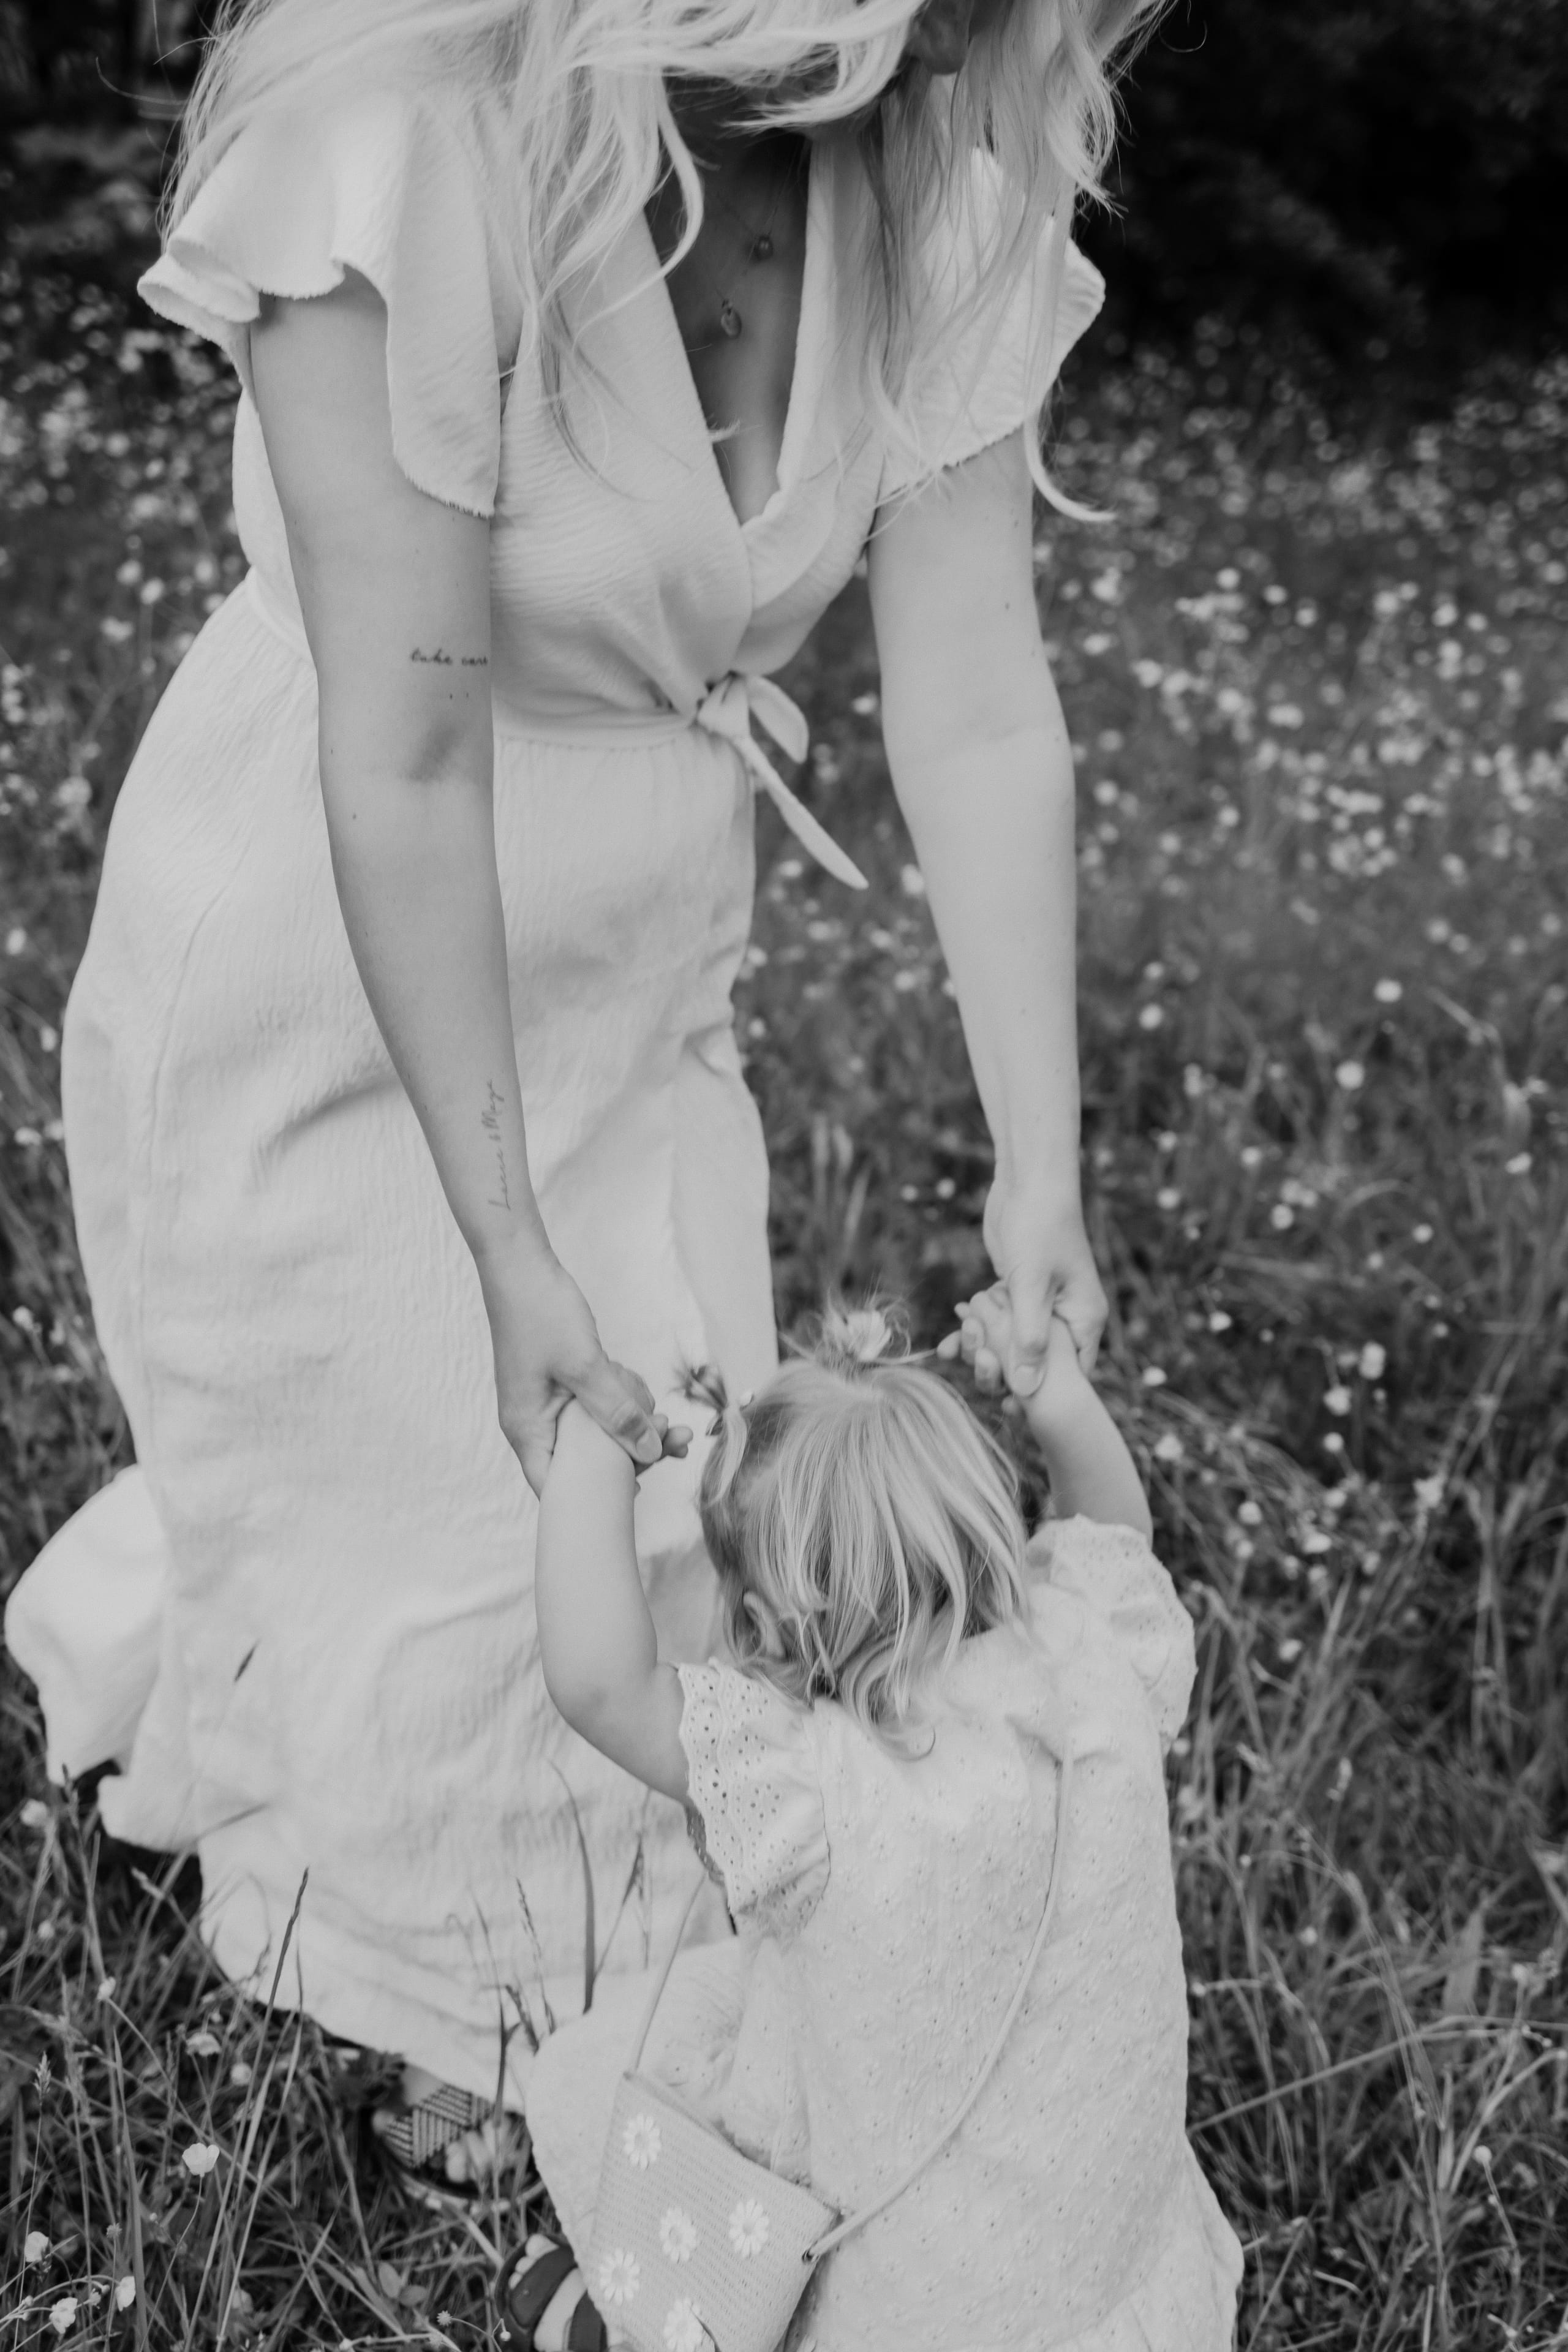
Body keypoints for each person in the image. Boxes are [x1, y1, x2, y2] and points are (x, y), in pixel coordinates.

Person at [4, 0, 1153, 2164]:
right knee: (411, 1474)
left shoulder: (940, 158)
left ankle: (505, 1914)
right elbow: (408, 746)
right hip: (344, 955)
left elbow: (979, 701)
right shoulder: (406, 133)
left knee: (652, 1499)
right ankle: (394, 1964)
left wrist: (1041, 1170)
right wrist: (505, 1238)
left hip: (645, 942)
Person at [510, 1301, 1243, 2350]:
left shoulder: (812, 1787)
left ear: (760, 1631)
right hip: (1092, 2254)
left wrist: (589, 1457)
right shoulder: (1093, 1651)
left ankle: (654, 2311)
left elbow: (599, 1685)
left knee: (658, 2066)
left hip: (911, 2300)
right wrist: (1057, 1395)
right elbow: (1117, 1533)